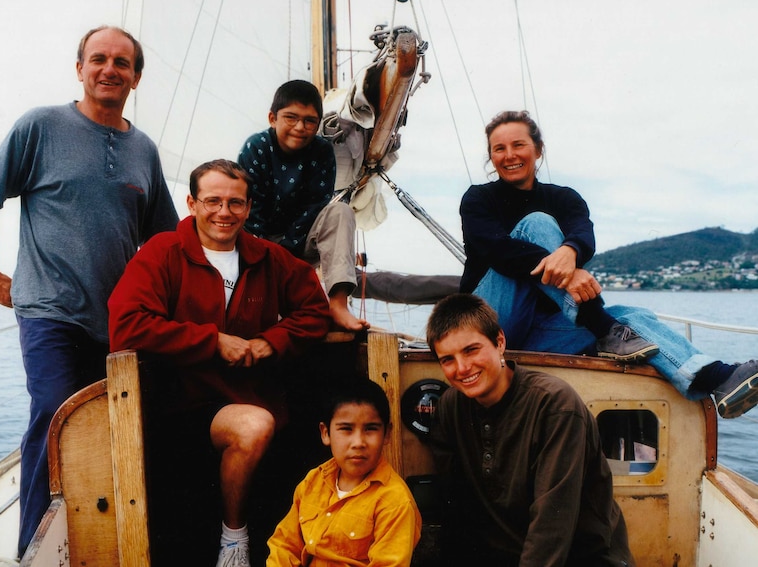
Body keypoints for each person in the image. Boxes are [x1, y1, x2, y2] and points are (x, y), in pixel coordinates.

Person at [0, 26, 178, 557]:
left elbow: (165, 240)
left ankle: (106, 541)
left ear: (136, 77)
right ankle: (35, 549)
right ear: (80, 68)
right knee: (55, 416)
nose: (110, 69)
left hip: (117, 320)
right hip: (48, 308)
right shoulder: (40, 125)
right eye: (99, 59)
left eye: (122, 63)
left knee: (114, 425)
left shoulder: (143, 151)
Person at [460, 110, 758, 419]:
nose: (509, 155)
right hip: (484, 328)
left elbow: (583, 233)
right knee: (538, 224)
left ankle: (716, 377)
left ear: (538, 149)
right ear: (491, 156)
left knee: (631, 317)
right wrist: (567, 267)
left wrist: (572, 249)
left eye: (518, 145)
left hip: (535, 335)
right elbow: (495, 248)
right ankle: (601, 325)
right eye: (499, 148)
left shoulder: (564, 198)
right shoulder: (478, 199)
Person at [107, 159, 332, 567]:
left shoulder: (268, 257)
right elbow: (126, 324)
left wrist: (271, 341)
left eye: (235, 203)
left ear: (248, 208)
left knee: (278, 421)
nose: (224, 213)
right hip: (180, 404)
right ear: (191, 203)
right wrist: (211, 342)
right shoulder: (162, 253)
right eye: (212, 201)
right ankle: (235, 540)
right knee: (254, 425)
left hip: (247, 395)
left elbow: (316, 311)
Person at [426, 293, 635, 566]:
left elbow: (552, 523)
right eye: (447, 360)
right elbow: (459, 509)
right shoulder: (450, 408)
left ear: (499, 342)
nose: (462, 368)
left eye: (471, 350)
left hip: (580, 557)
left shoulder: (555, 405)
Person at [237, 79, 370, 332]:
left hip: (301, 241)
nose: (300, 127)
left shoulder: (321, 151)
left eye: (310, 121)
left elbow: (316, 205)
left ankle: (338, 304)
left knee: (340, 211)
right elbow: (250, 211)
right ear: (272, 118)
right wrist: (270, 256)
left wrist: (287, 253)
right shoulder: (256, 148)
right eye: (291, 118)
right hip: (257, 244)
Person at [266, 377, 422, 566]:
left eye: (370, 429)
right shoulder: (313, 482)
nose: (358, 442)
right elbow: (284, 545)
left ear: (387, 434)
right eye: (346, 429)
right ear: (325, 433)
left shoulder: (394, 501)